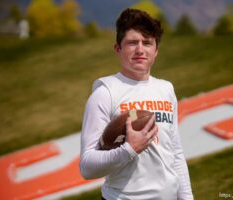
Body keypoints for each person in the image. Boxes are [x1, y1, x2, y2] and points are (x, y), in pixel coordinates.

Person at [80, 8, 193, 200]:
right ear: (118, 49)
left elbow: (175, 152)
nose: (140, 49)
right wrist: (129, 149)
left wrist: (187, 197)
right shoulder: (105, 93)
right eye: (132, 43)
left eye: (147, 43)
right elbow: (87, 167)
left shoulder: (166, 89)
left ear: (156, 51)